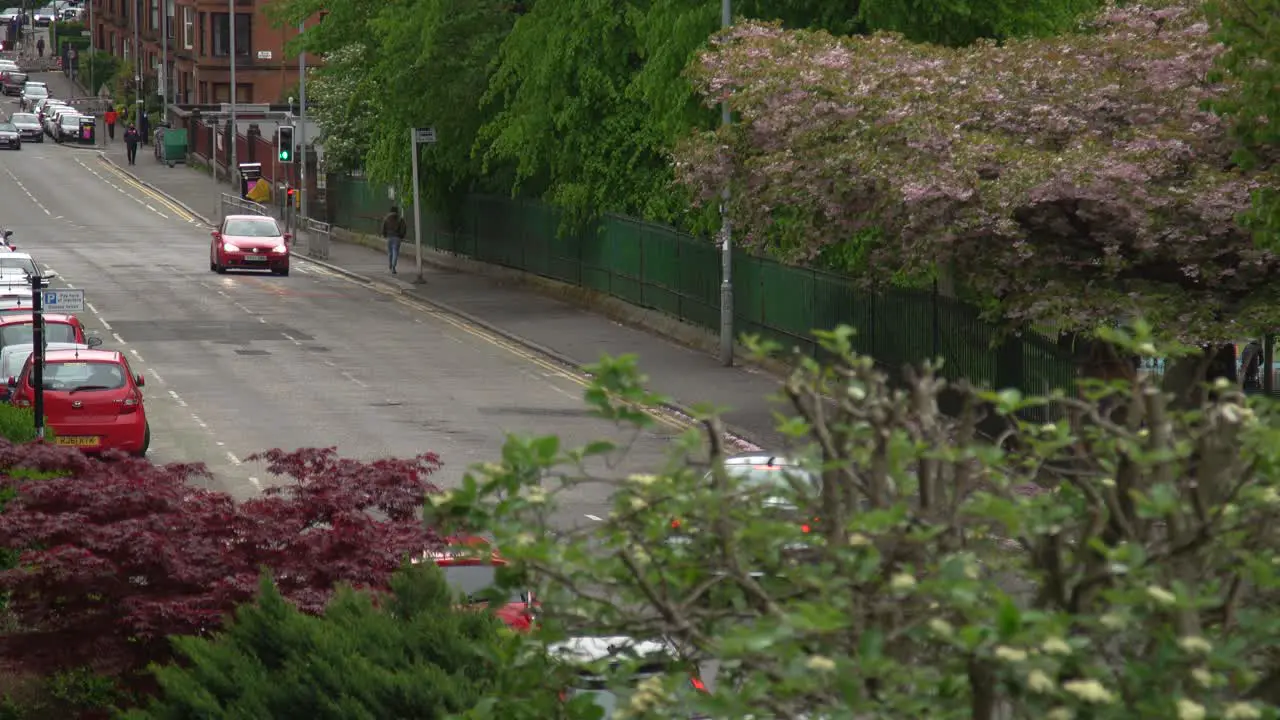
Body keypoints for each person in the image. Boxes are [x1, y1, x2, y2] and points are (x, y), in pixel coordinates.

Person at [380, 206, 407, 275]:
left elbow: (383, 227)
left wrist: (384, 234)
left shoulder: (387, 218)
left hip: (389, 237)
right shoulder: (400, 219)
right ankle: (393, 267)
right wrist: (401, 236)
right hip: (397, 238)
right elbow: (403, 228)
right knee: (395, 252)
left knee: (390, 253)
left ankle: (390, 265)